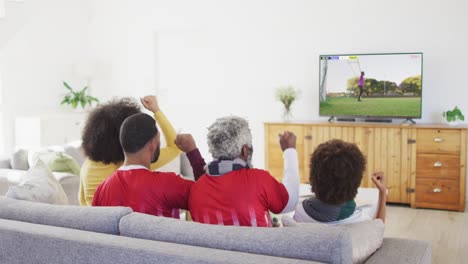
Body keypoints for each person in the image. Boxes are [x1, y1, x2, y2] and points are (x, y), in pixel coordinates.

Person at [188, 116, 299, 227]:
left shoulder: (197, 189)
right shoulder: (258, 180)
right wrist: (290, 150)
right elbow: (291, 201)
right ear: (244, 150)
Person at [79, 95, 181, 206]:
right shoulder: (135, 162)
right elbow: (175, 147)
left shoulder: (88, 166)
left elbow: (84, 202)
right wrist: (156, 110)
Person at [92, 113, 194, 218]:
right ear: (152, 144)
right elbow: (208, 194)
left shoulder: (101, 189)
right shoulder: (168, 184)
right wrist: (193, 152)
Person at [293, 139, 387, 224]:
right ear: (356, 183)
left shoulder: (299, 213)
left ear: (313, 177)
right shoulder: (360, 221)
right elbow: (378, 229)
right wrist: (382, 193)